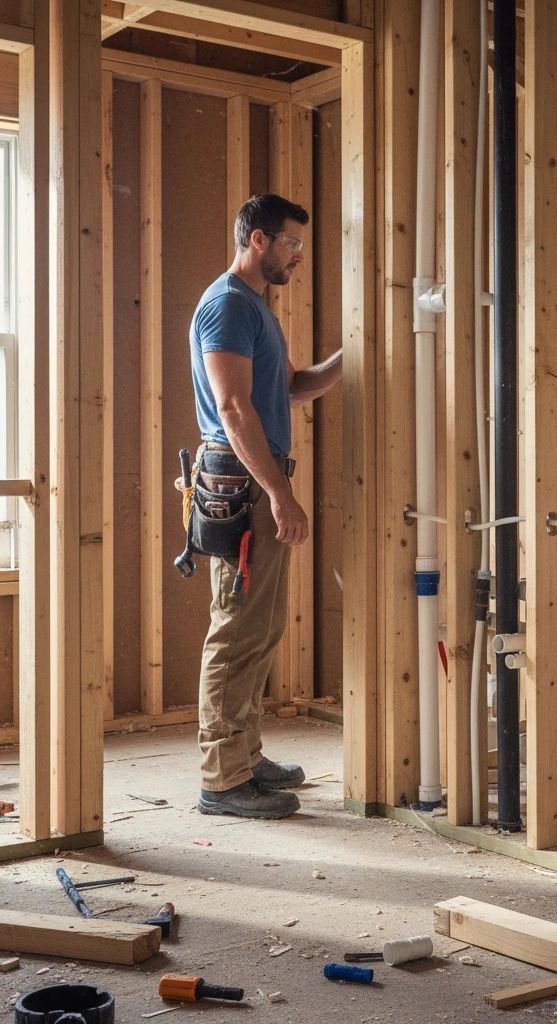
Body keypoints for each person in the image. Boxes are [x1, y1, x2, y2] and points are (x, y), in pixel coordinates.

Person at [188, 193, 342, 819]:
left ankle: (245, 756)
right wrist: (279, 493)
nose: (298, 256)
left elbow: (291, 387)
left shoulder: (255, 308)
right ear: (257, 238)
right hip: (244, 480)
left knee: (261, 625)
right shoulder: (228, 304)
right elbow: (232, 409)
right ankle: (222, 780)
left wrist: (349, 355)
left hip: (257, 476)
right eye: (290, 243)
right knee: (236, 629)